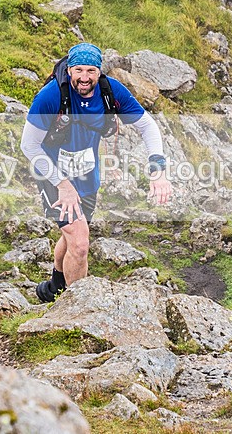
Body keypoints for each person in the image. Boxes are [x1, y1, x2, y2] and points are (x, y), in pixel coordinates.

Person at [20, 42, 173, 302]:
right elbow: (29, 145)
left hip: (87, 176)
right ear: (69, 70)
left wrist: (157, 171)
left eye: (91, 71)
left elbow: (147, 126)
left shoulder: (110, 91)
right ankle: (77, 310)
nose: (84, 77)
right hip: (52, 174)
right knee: (80, 243)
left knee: (73, 235)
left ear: (99, 71)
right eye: (78, 70)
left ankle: (54, 286)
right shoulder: (50, 96)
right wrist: (62, 184)